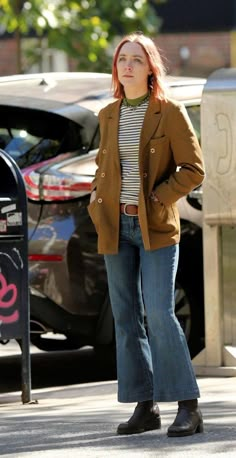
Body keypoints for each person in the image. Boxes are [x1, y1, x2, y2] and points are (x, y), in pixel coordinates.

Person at [88, 32, 205, 438]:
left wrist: (158, 196)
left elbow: (193, 168)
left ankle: (188, 404)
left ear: (150, 67)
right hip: (114, 226)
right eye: (122, 59)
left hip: (155, 224)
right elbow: (105, 168)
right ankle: (145, 405)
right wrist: (95, 200)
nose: (128, 66)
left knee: (159, 312)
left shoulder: (169, 111)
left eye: (136, 59)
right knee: (125, 316)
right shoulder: (107, 113)